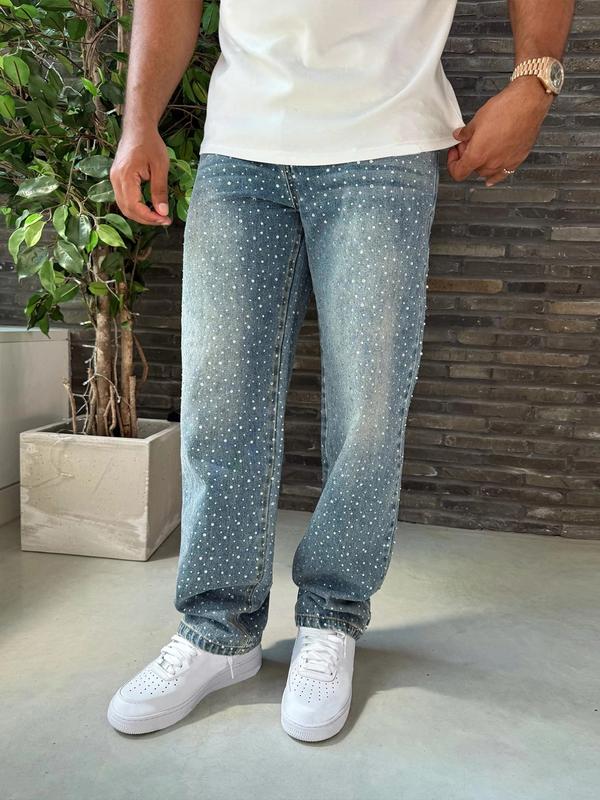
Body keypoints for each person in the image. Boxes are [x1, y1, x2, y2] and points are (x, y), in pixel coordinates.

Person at [107, 0, 572, 741]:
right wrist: (139, 122)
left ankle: (331, 619)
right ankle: (217, 633)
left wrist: (534, 81)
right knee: (220, 404)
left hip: (383, 144)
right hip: (240, 145)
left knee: (368, 408)